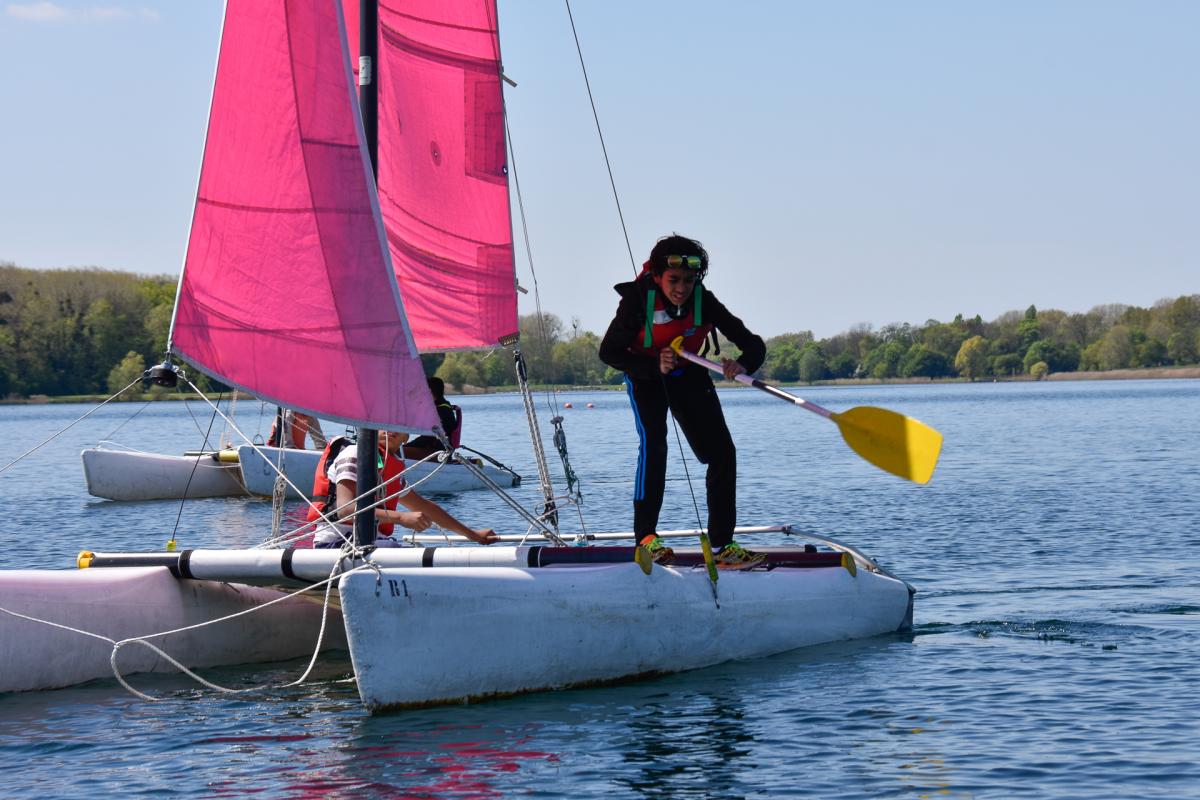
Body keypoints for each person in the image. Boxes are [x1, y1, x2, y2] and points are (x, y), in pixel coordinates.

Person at [598, 234, 767, 568]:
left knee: (722, 453)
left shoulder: (705, 300)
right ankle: (646, 540)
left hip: (688, 374)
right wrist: (653, 365)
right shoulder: (637, 300)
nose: (681, 288)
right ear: (657, 276)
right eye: (673, 280)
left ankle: (723, 547)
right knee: (655, 445)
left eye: (689, 280)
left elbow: (754, 345)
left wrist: (742, 364)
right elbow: (609, 352)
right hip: (645, 377)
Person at [306, 429, 496, 548]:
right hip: (335, 542)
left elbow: (425, 507)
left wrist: (473, 535)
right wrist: (401, 518)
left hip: (373, 543)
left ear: (406, 437)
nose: (391, 429)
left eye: (398, 426)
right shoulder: (354, 454)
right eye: (383, 424)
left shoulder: (391, 468)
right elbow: (345, 509)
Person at [402, 377, 462, 461]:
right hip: (435, 450)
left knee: (396, 452)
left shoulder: (441, 411)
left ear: (429, 391)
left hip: (438, 454)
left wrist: (405, 446)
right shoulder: (441, 408)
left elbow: (428, 439)